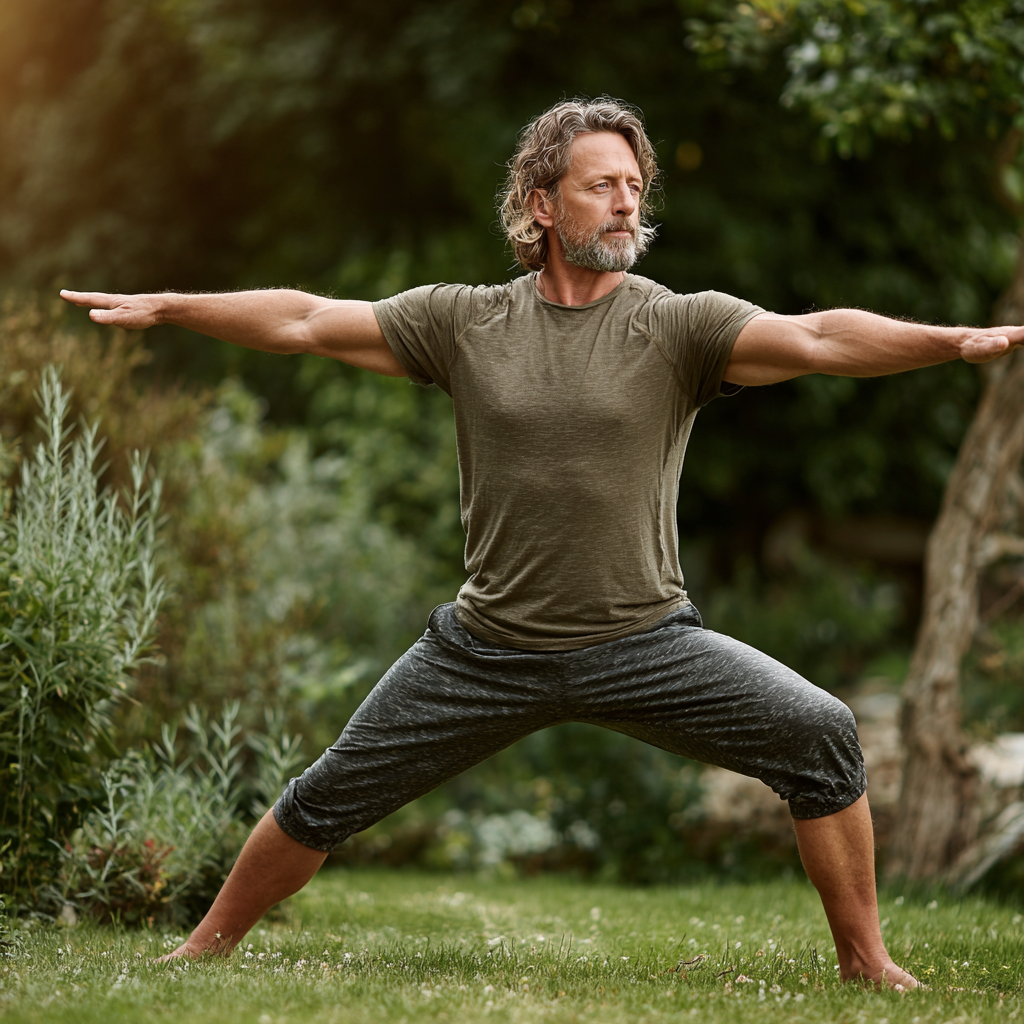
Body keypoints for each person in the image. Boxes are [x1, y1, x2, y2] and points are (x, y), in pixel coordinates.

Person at [62, 97, 1023, 989]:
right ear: (540, 201)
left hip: (646, 643)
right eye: (602, 184)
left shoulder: (678, 326)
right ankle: (198, 952)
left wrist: (949, 340)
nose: (624, 204)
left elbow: (816, 339)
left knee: (820, 734)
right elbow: (310, 320)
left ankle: (867, 963)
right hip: (487, 650)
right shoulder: (465, 321)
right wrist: (173, 305)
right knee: (326, 796)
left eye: (635, 188)